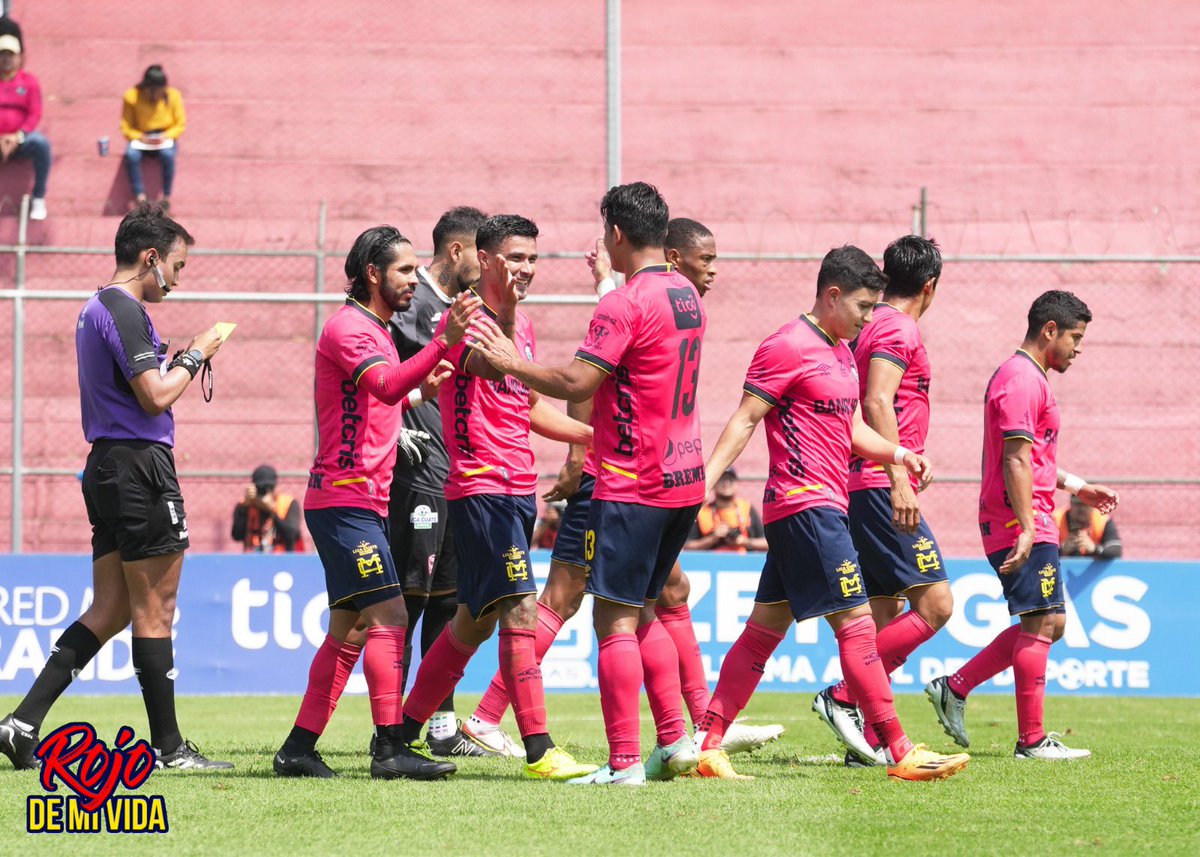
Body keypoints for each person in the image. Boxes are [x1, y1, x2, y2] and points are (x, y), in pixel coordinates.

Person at [462, 215, 782, 762]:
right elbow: (585, 387)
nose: (712, 274)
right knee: (578, 601)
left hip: (644, 481)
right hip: (626, 481)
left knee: (657, 598)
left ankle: (690, 733)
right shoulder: (657, 301)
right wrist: (581, 453)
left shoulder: (637, 301)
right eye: (706, 261)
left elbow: (600, 369)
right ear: (674, 257)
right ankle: (496, 717)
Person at [690, 245, 970, 782]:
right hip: (805, 505)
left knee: (762, 633)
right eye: (864, 307)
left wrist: (899, 454)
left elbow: (852, 430)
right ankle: (899, 748)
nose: (870, 319)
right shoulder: (785, 345)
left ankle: (708, 742)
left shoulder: (841, 351)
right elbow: (746, 419)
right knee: (859, 627)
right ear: (832, 295)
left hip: (821, 507)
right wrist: (705, 484)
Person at [0, 202, 229, 770]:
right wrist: (198, 353)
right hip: (138, 466)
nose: (176, 280)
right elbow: (154, 395)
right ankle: (171, 748)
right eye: (175, 267)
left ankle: (21, 724)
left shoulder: (93, 307)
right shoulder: (122, 309)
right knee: (158, 607)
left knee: (111, 607)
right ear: (150, 259)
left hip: (105, 464)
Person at [393, 214, 597, 782]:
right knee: (521, 607)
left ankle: (401, 734)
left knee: (471, 622)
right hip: (480, 486)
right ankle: (539, 750)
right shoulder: (465, 321)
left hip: (517, 488)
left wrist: (589, 436)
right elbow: (479, 364)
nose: (526, 268)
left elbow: (523, 403)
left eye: (533, 258)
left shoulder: (521, 326)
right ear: (484, 259)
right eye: (515, 257)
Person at [272, 226, 479, 780]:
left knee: (351, 629)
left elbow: (383, 398)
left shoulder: (375, 329)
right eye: (405, 271)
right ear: (373, 275)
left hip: (360, 501)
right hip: (343, 501)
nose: (416, 279)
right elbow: (383, 386)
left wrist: (421, 393)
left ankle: (298, 748)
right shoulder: (349, 327)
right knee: (390, 614)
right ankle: (390, 749)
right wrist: (440, 344)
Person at [926, 290, 1119, 760]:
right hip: (1017, 519)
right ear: (1049, 330)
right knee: (1040, 622)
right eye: (1075, 337)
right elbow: (1014, 459)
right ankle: (1031, 741)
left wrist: (1076, 487)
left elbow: (1035, 458)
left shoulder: (1032, 378)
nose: (1079, 348)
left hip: (1025, 516)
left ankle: (956, 686)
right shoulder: (1020, 379)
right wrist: (1029, 526)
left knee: (1051, 623)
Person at [811, 235, 953, 768]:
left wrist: (910, 456)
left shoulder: (869, 324)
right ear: (930, 286)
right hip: (875, 485)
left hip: (862, 480)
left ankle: (865, 739)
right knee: (936, 604)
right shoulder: (898, 325)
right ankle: (843, 697)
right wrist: (898, 476)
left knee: (882, 611)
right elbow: (876, 399)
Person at [383, 205, 493, 758]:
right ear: (457, 251)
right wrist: (397, 423)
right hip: (416, 470)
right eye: (482, 250)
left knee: (450, 601)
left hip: (457, 472)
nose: (488, 259)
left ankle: (442, 726)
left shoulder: (463, 309)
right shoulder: (410, 302)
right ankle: (390, 728)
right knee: (409, 601)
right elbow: (381, 374)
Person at [0, 24, 50, 221]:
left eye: (10, 54)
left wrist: (16, 136)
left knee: (41, 143)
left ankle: (38, 198)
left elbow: (35, 113)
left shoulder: (29, 81)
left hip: (20, 140)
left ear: (19, 56)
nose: (6, 58)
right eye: (2, 53)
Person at [121, 65, 186, 210]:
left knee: (168, 155)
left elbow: (180, 124)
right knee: (131, 155)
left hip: (165, 136)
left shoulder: (173, 95)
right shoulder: (132, 96)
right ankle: (140, 197)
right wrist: (140, 137)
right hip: (141, 137)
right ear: (145, 88)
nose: (156, 96)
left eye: (160, 92)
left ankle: (166, 197)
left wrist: (166, 136)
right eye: (152, 92)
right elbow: (126, 127)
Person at [684, 467, 768, 552]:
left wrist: (744, 541)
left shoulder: (746, 508)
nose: (726, 483)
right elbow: (687, 546)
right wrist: (713, 538)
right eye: (722, 479)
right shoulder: (702, 512)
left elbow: (766, 543)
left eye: (730, 480)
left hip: (743, 560)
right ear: (714, 484)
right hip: (710, 562)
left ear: (737, 484)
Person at [231, 464, 304, 552]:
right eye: (261, 488)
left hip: (283, 560)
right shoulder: (245, 504)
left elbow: (292, 535)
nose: (266, 491)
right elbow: (237, 535)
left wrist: (271, 510)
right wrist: (245, 508)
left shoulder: (288, 503)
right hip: (253, 559)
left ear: (276, 486)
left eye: (270, 487)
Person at [1055, 495, 1122, 558]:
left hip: (1093, 568)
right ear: (1071, 504)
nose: (1081, 509)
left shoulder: (1102, 520)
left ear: (1093, 506)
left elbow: (1116, 550)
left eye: (1085, 504)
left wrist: (1094, 549)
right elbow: (1044, 549)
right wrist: (1062, 548)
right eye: (1077, 504)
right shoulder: (1056, 519)